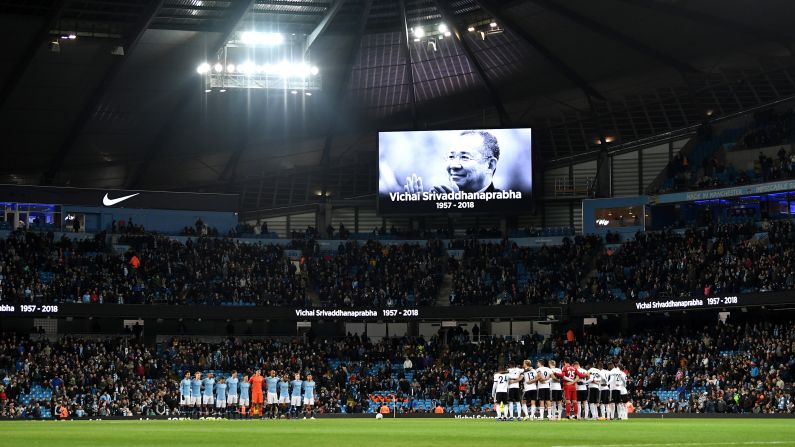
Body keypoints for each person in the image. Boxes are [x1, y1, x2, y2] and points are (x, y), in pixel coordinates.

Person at [403, 130, 503, 194]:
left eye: (464, 157)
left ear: (490, 165)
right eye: (451, 156)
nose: (453, 165)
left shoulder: (504, 203)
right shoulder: (438, 199)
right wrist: (422, 207)